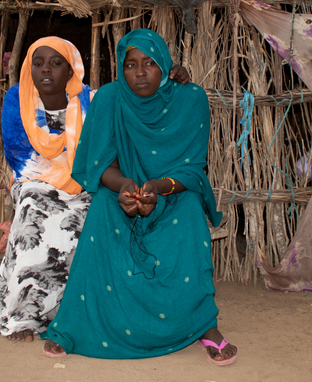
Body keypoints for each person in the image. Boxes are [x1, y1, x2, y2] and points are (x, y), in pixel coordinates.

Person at [41, 28, 238, 365]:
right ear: (121, 67)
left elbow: (193, 169)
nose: (140, 72)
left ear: (164, 64)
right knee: (102, 205)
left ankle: (204, 325)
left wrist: (158, 188)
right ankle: (74, 325)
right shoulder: (109, 98)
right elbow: (99, 162)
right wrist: (125, 187)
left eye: (149, 63)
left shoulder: (190, 99)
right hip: (124, 192)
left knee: (191, 210)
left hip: (173, 192)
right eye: (130, 65)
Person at [0, 36, 190, 342]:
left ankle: (75, 312)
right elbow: (20, 158)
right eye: (38, 63)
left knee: (98, 214)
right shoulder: (18, 99)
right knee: (35, 207)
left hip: (88, 183)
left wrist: (170, 81)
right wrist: (65, 182)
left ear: (71, 70)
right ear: (28, 68)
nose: (46, 70)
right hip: (35, 183)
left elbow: (136, 99)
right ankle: (25, 313)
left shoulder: (92, 100)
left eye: (56, 64)